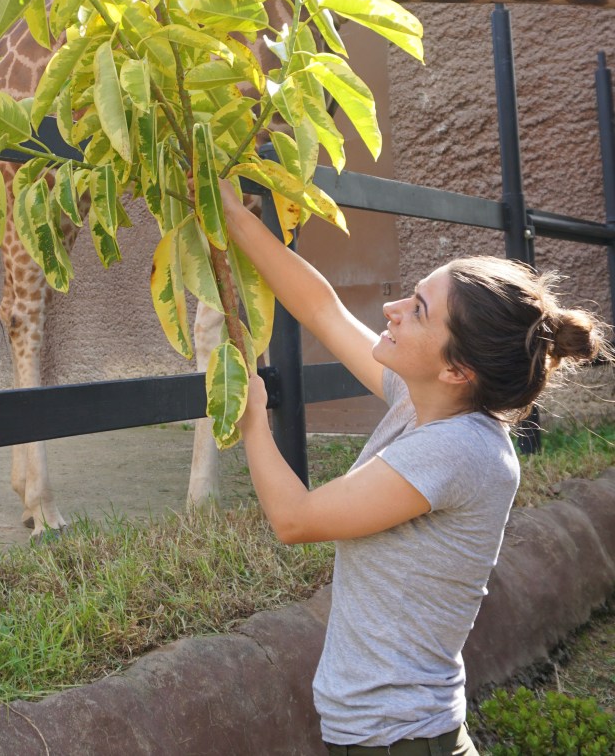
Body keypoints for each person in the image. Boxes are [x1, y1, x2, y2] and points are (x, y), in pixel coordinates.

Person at [219, 180, 610, 756]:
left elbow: (295, 520)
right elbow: (321, 308)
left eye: (418, 311)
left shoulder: (457, 450)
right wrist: (234, 217)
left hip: (399, 739)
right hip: (389, 734)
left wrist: (251, 419)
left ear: (458, 370)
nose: (393, 310)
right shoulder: (423, 403)